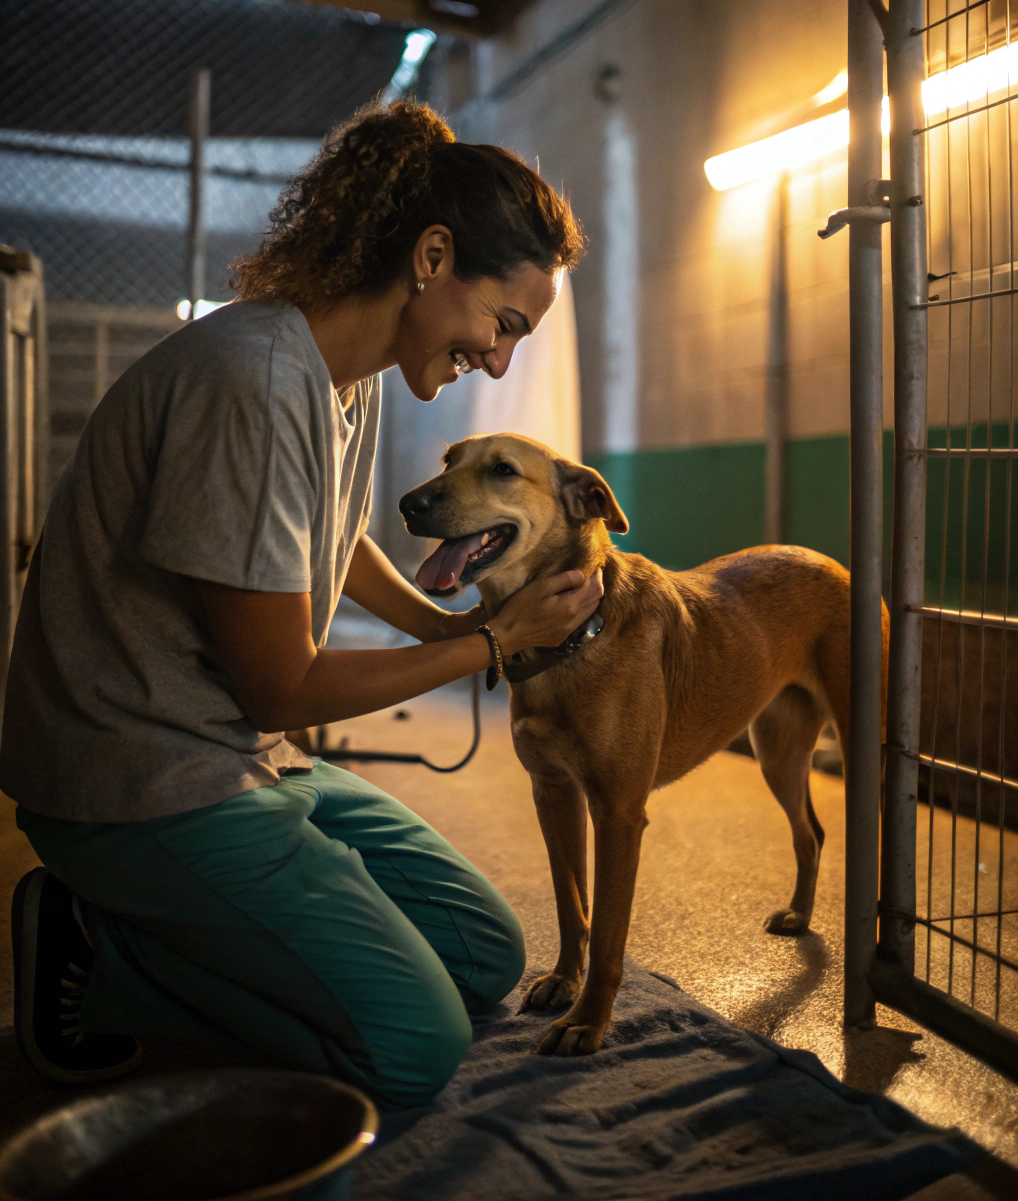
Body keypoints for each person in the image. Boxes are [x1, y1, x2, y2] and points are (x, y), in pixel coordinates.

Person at [1, 101, 602, 1107]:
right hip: (138, 777)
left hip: (243, 757)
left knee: (483, 952)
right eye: (502, 325)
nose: (498, 360)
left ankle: (201, 931)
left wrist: (446, 623)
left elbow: (329, 532)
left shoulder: (342, 379)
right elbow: (280, 687)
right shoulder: (253, 380)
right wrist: (491, 644)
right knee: (414, 1046)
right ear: (432, 257)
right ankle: (102, 956)